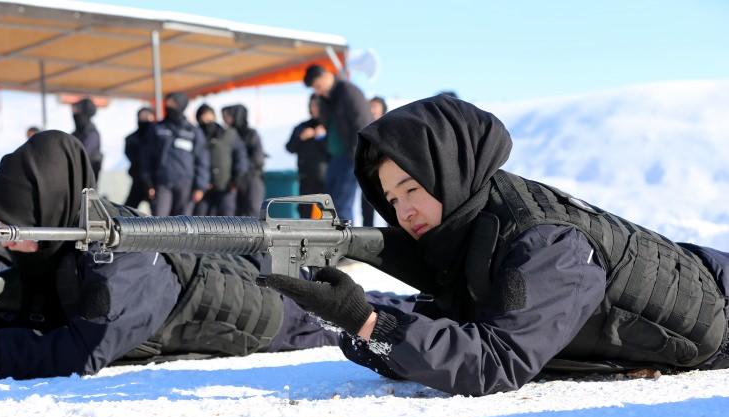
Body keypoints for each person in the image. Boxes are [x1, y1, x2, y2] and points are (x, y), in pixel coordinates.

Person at [264, 95, 729, 397]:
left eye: (412, 189)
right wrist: (347, 312)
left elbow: (495, 361)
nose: (402, 211)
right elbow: (450, 323)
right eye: (391, 198)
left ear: (449, 169)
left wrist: (366, 322)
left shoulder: (546, 245)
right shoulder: (473, 226)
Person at [0, 131, 339, 380]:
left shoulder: (118, 252)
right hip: (243, 276)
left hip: (275, 313)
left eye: (11, 228)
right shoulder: (56, 241)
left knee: (369, 316)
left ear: (47, 208)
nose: (3, 240)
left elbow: (81, 352)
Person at [303, 65, 372, 222]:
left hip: (352, 157)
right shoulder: (326, 99)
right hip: (335, 158)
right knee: (329, 205)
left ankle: (348, 244)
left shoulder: (349, 92)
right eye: (315, 89)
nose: (318, 91)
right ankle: (332, 242)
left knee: (342, 206)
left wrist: (358, 155)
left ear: (327, 76)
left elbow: (362, 124)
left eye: (318, 86)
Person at [142, 92, 210, 216]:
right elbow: (147, 157)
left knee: (183, 224)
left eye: (172, 104)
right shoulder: (157, 129)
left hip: (186, 184)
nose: (169, 106)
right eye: (168, 103)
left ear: (181, 105)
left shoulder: (193, 131)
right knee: (159, 222)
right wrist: (148, 183)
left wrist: (200, 187)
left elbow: (202, 160)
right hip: (162, 182)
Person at [194, 103, 250, 216]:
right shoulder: (195, 135)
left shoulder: (228, 134)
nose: (207, 120)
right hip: (202, 189)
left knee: (227, 221)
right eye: (203, 117)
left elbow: (241, 157)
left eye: (209, 116)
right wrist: (200, 184)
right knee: (201, 221)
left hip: (226, 186)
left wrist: (236, 179)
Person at [285, 95, 328, 218]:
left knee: (325, 213)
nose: (315, 108)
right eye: (313, 105)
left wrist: (321, 136)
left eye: (318, 105)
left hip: (324, 179)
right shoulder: (302, 127)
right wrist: (301, 137)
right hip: (305, 177)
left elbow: (335, 151)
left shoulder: (329, 126)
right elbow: (289, 147)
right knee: (304, 211)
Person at [221, 104, 266, 218]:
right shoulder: (226, 135)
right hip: (232, 181)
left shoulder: (251, 134)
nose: (225, 120)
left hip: (251, 178)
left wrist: (243, 170)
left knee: (253, 210)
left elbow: (258, 158)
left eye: (228, 116)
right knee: (234, 214)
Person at [360, 96, 389, 226]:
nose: (371, 109)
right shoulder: (363, 128)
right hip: (368, 175)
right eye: (369, 106)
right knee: (367, 209)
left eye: (375, 106)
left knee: (390, 207)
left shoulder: (390, 126)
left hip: (387, 176)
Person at [124, 107, 156, 210]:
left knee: (160, 215)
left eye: (148, 117)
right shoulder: (131, 139)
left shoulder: (159, 137)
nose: (146, 120)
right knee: (128, 210)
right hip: (138, 180)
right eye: (143, 117)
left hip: (155, 180)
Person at [71, 97, 103, 182]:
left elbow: (84, 152)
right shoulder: (75, 134)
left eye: (77, 111)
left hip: (87, 179)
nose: (74, 114)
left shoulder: (92, 134)